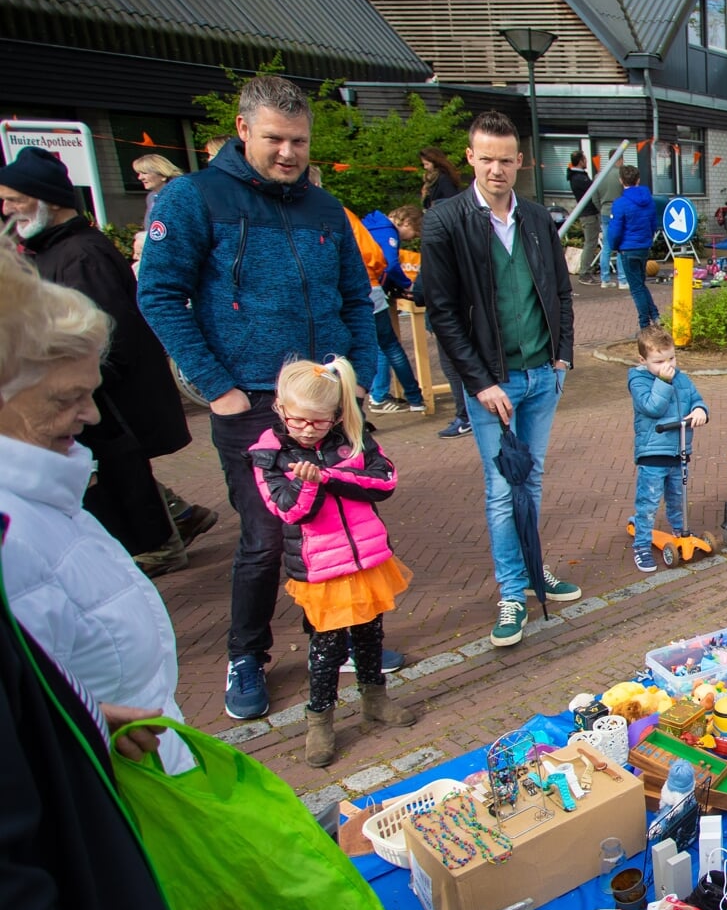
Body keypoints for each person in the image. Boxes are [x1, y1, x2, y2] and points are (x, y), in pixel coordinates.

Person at [138, 74, 385, 721]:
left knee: (340, 522)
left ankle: (338, 638)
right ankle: (246, 653)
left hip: (331, 402)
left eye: (299, 141)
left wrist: (357, 374)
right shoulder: (194, 199)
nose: (288, 153)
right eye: (275, 139)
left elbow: (357, 299)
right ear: (243, 130)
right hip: (249, 400)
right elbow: (159, 295)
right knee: (266, 537)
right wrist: (216, 389)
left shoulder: (325, 211)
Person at [0, 257, 197, 775]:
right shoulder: (13, 532)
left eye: (92, 392)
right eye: (69, 398)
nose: (90, 415)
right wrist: (78, 721)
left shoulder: (50, 493)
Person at [2, 147, 211, 577]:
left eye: (12, 199)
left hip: (110, 398)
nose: (5, 209)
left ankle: (160, 541)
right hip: (97, 397)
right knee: (111, 476)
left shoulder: (82, 254)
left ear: (46, 200)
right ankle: (178, 514)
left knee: (117, 475)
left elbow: (108, 335)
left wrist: (78, 388)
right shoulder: (52, 251)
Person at [419, 110, 581, 651]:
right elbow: (440, 311)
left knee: (530, 482)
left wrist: (563, 357)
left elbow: (560, 290)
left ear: (520, 162)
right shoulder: (446, 221)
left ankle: (536, 572)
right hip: (493, 384)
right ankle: (513, 591)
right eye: (485, 158)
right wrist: (480, 382)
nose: (496, 169)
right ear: (470, 158)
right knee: (501, 490)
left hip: (542, 374)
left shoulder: (536, 218)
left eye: (505, 160)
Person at [250, 358, 415, 766]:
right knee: (327, 650)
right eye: (299, 420)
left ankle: (374, 698)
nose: (307, 429)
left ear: (336, 415)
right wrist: (308, 486)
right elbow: (286, 510)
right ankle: (319, 721)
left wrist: (330, 476)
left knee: (370, 635)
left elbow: (385, 481)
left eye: (319, 422)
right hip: (322, 570)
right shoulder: (268, 455)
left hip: (366, 559)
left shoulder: (353, 438)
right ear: (280, 409)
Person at [627, 327, 709, 573]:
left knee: (678, 496)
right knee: (649, 501)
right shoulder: (639, 380)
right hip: (653, 451)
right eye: (659, 361)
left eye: (671, 358)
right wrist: (663, 381)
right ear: (643, 360)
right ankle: (641, 544)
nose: (668, 365)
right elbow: (652, 407)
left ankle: (680, 529)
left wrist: (700, 410)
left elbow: (695, 398)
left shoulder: (681, 377)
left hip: (679, 449)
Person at [390, 204, 471, 440]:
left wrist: (414, 294)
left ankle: (465, 416)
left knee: (453, 368)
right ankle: (470, 414)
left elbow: (424, 289)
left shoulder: (436, 250)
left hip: (447, 318)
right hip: (468, 316)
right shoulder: (467, 247)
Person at [351, 196, 426, 416]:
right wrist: (406, 285)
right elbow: (391, 264)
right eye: (414, 233)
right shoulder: (388, 233)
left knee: (379, 344)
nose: (411, 238)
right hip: (370, 288)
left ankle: (379, 394)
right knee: (389, 346)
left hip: (361, 287)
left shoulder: (371, 225)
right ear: (407, 224)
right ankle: (409, 397)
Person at [605, 166, 660, 330]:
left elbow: (614, 230)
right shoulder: (649, 200)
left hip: (628, 249)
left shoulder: (620, 203)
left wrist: (615, 246)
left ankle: (645, 326)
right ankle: (656, 316)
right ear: (638, 180)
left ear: (621, 180)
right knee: (641, 284)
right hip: (643, 246)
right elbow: (653, 224)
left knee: (636, 289)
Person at [131, 153, 185, 273]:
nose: (140, 178)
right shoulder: (151, 197)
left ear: (163, 175)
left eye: (144, 173)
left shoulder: (179, 195)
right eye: (139, 173)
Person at [567, 150, 606, 288]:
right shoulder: (579, 178)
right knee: (590, 243)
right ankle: (584, 273)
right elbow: (592, 190)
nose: (587, 162)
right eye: (585, 159)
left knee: (592, 242)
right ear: (580, 161)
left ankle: (586, 271)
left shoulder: (579, 176)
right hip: (588, 214)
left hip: (590, 213)